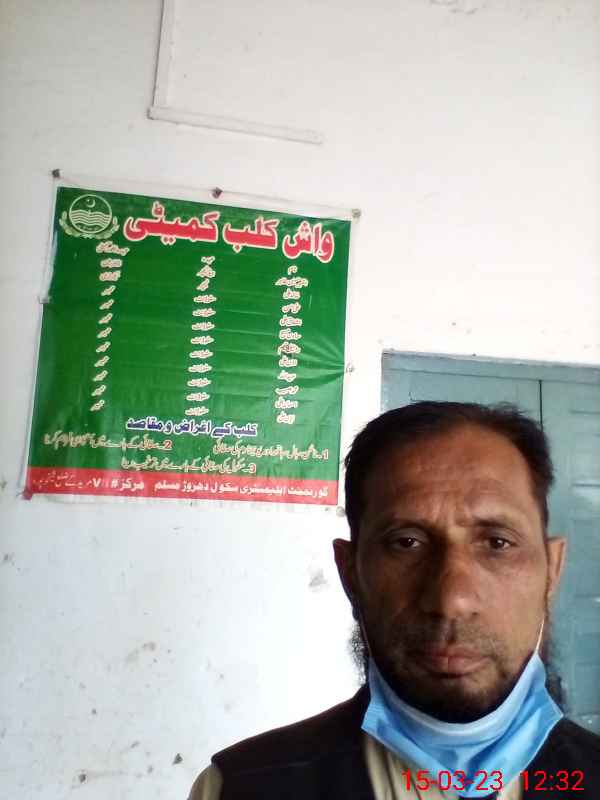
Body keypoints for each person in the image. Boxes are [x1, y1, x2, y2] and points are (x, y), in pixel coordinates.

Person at [189, 402, 600, 799]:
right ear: (350, 572)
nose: (451, 601)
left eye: (497, 543)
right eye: (406, 543)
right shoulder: (239, 789)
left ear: (552, 568)